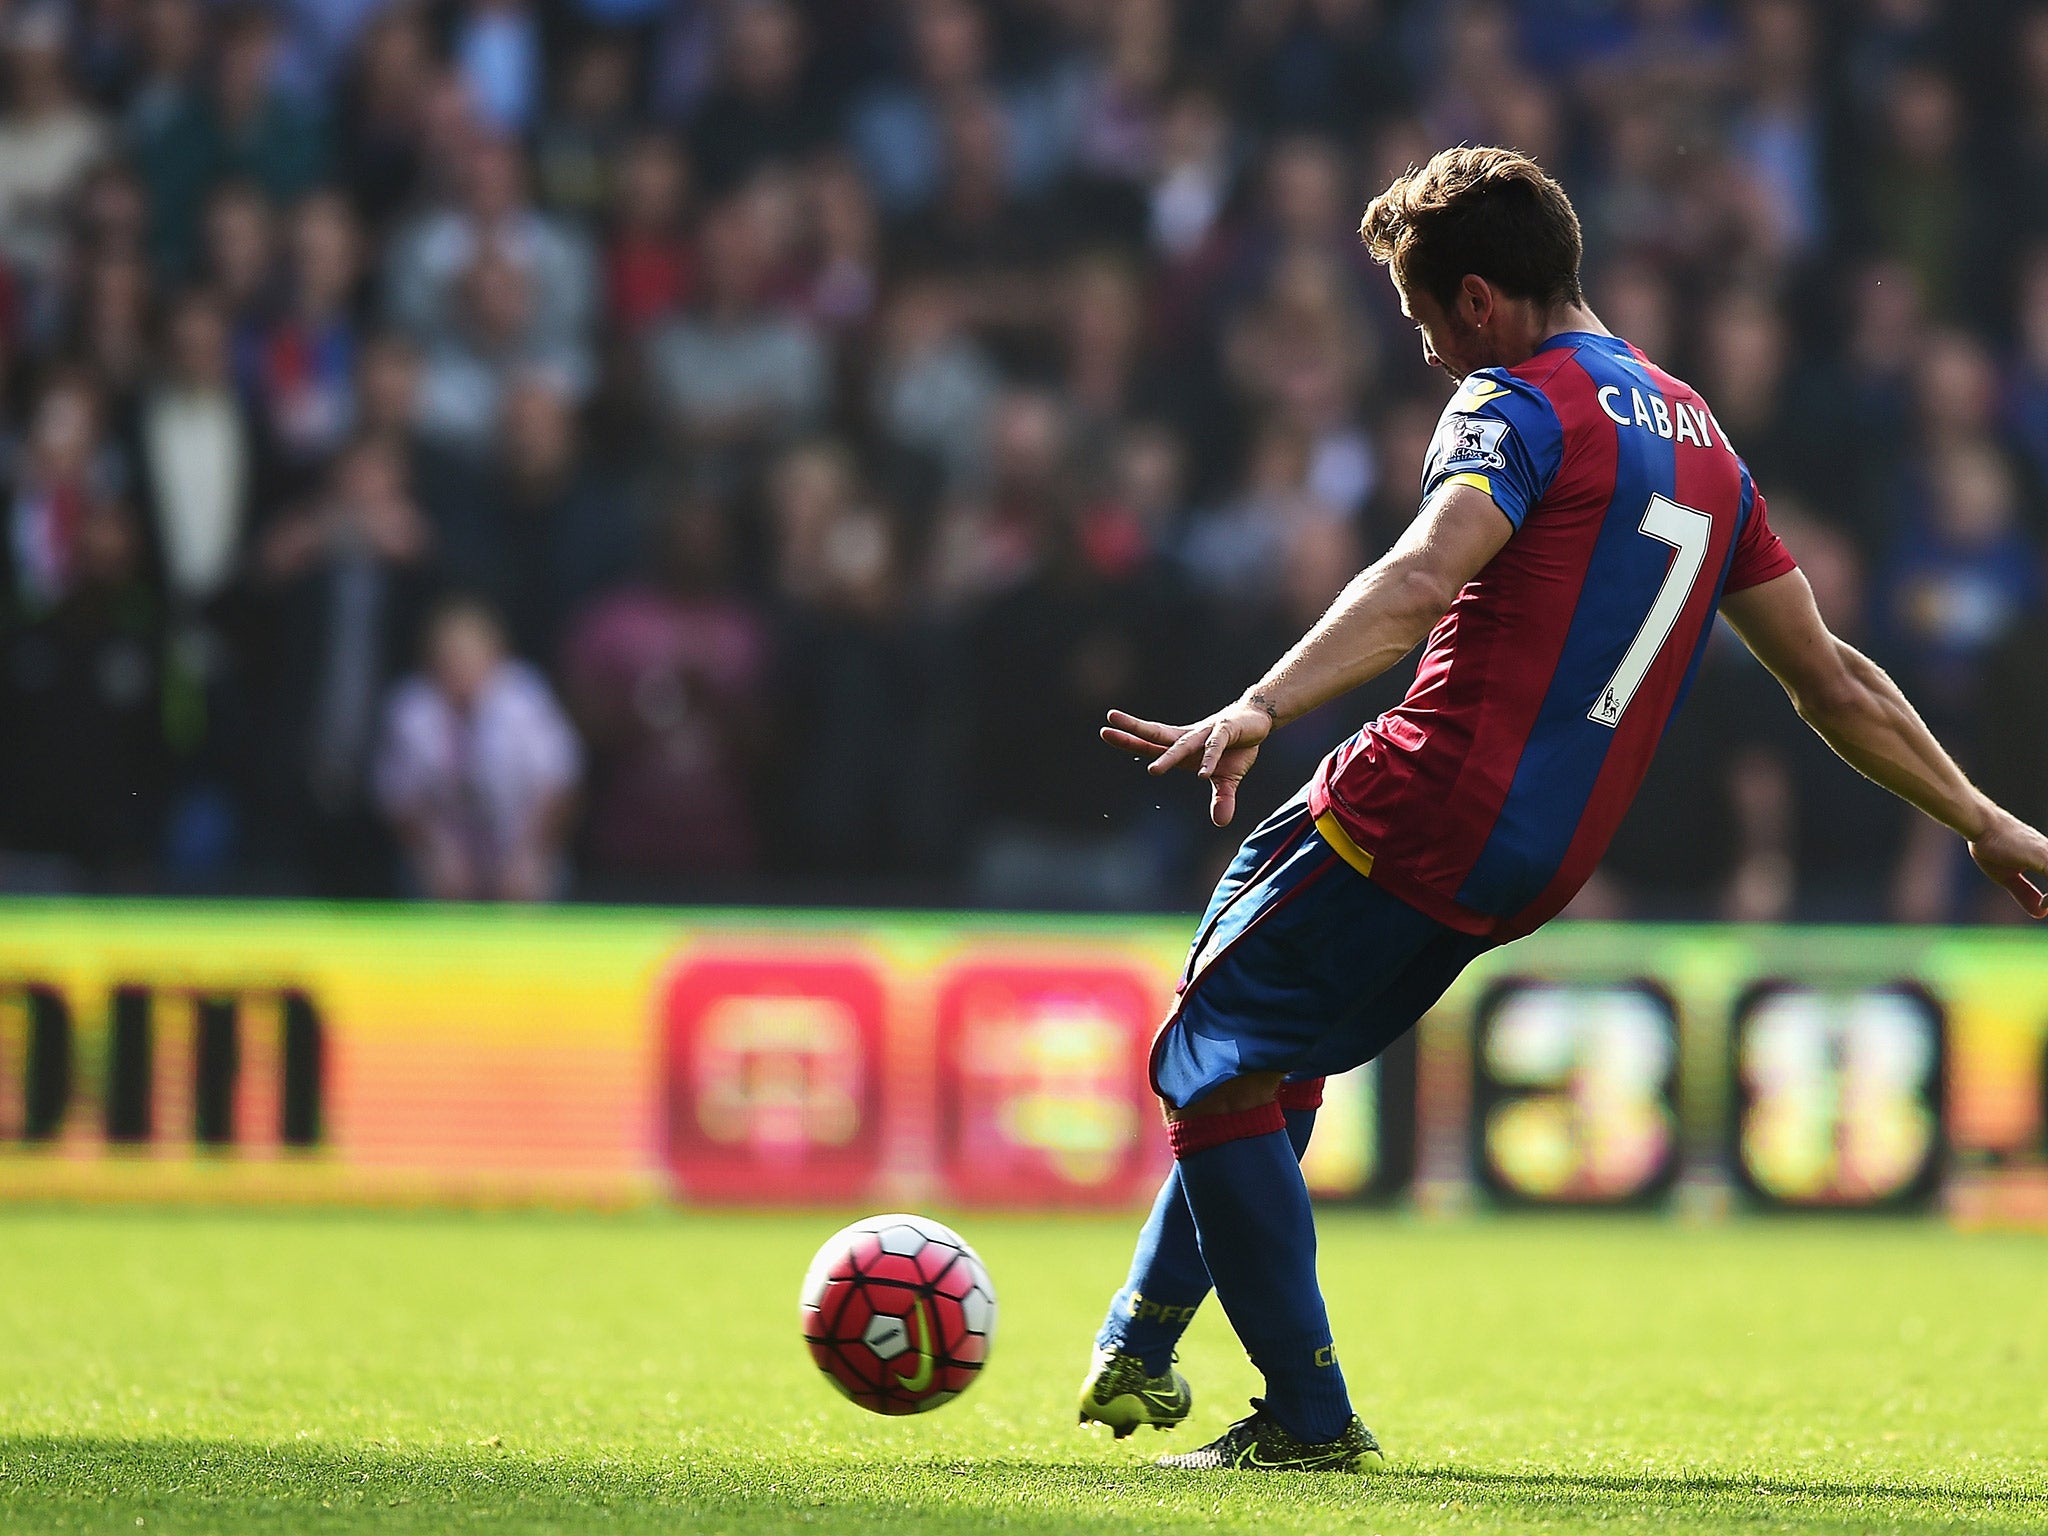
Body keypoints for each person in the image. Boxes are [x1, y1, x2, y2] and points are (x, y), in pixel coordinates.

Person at [1077, 146, 2048, 1474]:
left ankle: (1303, 1419)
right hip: (1537, 856)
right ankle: (1142, 1339)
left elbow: (1427, 573)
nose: (1423, 351)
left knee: (1203, 1052)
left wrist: (1259, 700)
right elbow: (1833, 680)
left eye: (1423, 319)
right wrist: (1980, 815)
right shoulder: (1705, 441)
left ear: (1479, 301)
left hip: (1424, 795)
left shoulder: (1515, 402)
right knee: (1265, 1056)